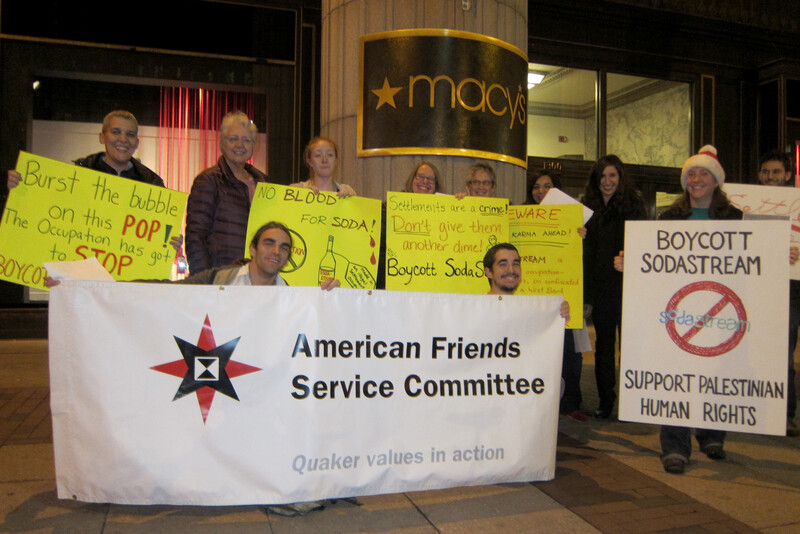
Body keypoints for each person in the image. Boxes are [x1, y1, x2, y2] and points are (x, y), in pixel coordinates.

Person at [6, 110, 182, 253]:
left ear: (136, 142)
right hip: (84, 279)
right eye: (115, 132)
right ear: (102, 137)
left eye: (130, 134)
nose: (123, 139)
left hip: (130, 283)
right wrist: (17, 191)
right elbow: (44, 219)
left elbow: (161, 235)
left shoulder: (153, 185)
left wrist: (171, 242)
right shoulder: (75, 177)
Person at [582, 155, 648, 419]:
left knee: (632, 348)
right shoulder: (587, 209)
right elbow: (585, 255)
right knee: (604, 349)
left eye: (612, 175)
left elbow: (645, 248)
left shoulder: (634, 208)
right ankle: (605, 400)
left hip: (630, 289)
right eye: (602, 176)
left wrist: (631, 258)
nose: (607, 181)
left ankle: (635, 403)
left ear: (620, 178)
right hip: (601, 290)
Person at [185, 111, 268, 274]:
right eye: (233, 139)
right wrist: (203, 280)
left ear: (253, 146)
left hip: (258, 278)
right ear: (222, 143)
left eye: (246, 140)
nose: (240, 145)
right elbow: (195, 237)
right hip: (223, 277)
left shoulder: (265, 184)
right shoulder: (208, 180)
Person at [757, 150, 799, 436]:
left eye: (776, 172)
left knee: (784, 354)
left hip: (793, 289)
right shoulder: (746, 206)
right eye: (766, 172)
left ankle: (786, 415)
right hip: (760, 289)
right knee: (766, 353)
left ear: (787, 175)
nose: (770, 177)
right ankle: (763, 411)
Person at [483, 242, 569, 321]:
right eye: (503, 264)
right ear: (489, 272)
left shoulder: (531, 311)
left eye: (515, 264)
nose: (511, 270)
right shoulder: (476, 311)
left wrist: (558, 319)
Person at [291, 137, 356, 196]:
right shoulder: (295, 190)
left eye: (330, 155)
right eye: (318, 155)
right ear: (310, 161)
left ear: (336, 160)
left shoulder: (347, 190)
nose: (324, 160)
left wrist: (352, 202)